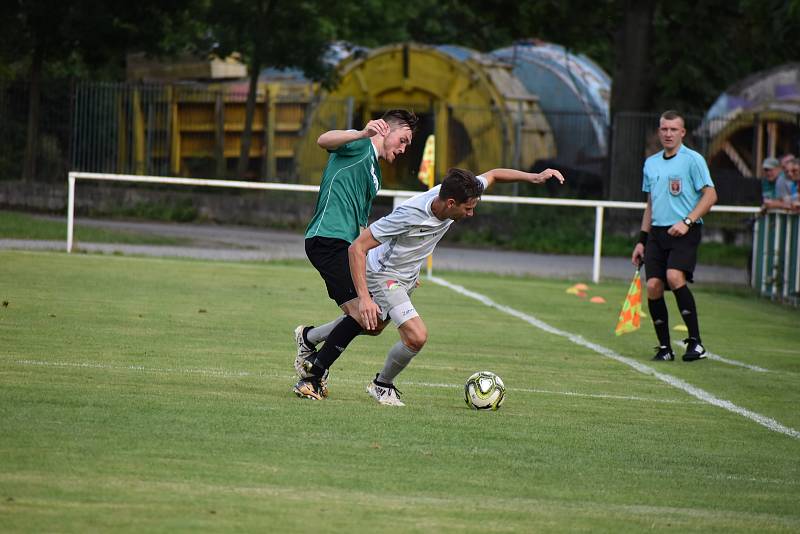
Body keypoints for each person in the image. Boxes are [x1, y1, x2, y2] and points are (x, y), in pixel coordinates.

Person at [300, 166, 565, 404]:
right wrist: (364, 297)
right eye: (468, 208)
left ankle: (308, 338)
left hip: (405, 276)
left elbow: (494, 174)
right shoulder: (409, 214)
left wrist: (534, 177)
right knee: (416, 336)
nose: (471, 213)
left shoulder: (458, 192)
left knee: (372, 326)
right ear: (451, 203)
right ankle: (381, 384)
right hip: (384, 275)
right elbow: (357, 248)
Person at [293, 109, 418, 400]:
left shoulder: (375, 176)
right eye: (403, 140)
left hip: (347, 247)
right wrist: (362, 133)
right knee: (364, 314)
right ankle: (312, 375)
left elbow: (364, 227)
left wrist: (379, 265)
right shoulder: (360, 144)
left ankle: (309, 339)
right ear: (386, 130)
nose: (402, 149)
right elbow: (324, 140)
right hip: (327, 238)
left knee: (371, 319)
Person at [631, 110, 717, 362]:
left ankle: (696, 343)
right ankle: (665, 348)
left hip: (685, 231)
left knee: (674, 275)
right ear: (659, 131)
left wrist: (687, 221)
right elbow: (651, 203)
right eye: (664, 129)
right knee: (653, 286)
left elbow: (710, 195)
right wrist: (641, 240)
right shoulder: (651, 163)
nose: (668, 134)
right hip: (657, 233)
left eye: (673, 129)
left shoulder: (693, 160)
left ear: (683, 132)